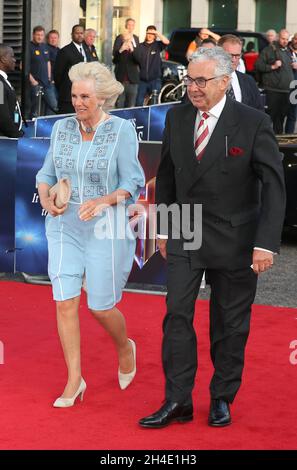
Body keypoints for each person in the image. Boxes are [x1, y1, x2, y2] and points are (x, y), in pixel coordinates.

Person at [139, 47, 286, 428]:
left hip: (236, 238)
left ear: (224, 81)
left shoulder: (253, 122)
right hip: (185, 230)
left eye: (201, 81)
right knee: (176, 315)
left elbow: (273, 186)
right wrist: (164, 228)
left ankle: (222, 396)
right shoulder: (176, 117)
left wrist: (265, 242)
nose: (192, 87)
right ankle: (177, 400)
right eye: (189, 79)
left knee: (229, 323)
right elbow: (167, 176)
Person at [36, 61, 145, 407]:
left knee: (99, 306)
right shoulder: (62, 128)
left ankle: (125, 347)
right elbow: (46, 172)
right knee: (64, 301)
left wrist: (104, 200)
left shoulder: (122, 131)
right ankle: (74, 379)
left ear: (102, 99)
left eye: (85, 96)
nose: (78, 102)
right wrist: (45, 194)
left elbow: (133, 181)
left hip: (104, 224)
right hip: (63, 225)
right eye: (74, 96)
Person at [255, 29, 294, 134]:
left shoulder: (287, 51)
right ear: (278, 37)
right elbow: (258, 65)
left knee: (280, 120)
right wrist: (273, 66)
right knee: (269, 119)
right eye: (282, 38)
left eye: (286, 39)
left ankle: (278, 145)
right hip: (273, 90)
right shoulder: (269, 50)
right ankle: (264, 141)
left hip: (286, 91)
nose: (285, 41)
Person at [218, 35, 264, 111]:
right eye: (229, 55)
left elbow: (259, 111)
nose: (233, 60)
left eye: (237, 55)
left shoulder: (248, 81)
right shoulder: (208, 80)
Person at [54, 24, 93, 114]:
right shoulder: (65, 51)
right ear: (72, 34)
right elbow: (58, 74)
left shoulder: (87, 49)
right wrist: (64, 89)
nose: (79, 35)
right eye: (77, 33)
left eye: (81, 33)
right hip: (68, 96)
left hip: (84, 94)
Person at [134, 25, 169, 107]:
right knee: (139, 102)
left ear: (155, 35)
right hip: (142, 80)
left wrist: (157, 33)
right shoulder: (140, 46)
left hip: (155, 80)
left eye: (152, 33)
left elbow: (167, 42)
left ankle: (152, 119)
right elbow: (136, 59)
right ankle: (140, 118)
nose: (150, 35)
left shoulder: (157, 45)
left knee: (154, 103)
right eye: (148, 33)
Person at [29, 25, 58, 117]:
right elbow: (23, 66)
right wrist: (33, 81)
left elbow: (48, 62)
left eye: (41, 35)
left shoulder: (45, 47)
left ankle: (48, 127)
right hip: (35, 84)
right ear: (33, 35)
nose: (39, 37)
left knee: (53, 105)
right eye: (37, 35)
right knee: (35, 110)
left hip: (47, 83)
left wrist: (49, 77)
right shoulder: (28, 47)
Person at [113, 18, 140, 108]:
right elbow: (115, 58)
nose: (130, 27)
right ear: (126, 26)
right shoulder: (120, 38)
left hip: (133, 79)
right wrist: (121, 49)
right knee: (119, 105)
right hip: (121, 78)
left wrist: (133, 50)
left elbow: (139, 59)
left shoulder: (136, 39)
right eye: (129, 25)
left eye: (132, 25)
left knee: (131, 105)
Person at [0, 44, 23, 137]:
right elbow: (2, 116)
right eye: (12, 56)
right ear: (3, 59)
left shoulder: (3, 80)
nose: (14, 60)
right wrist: (17, 135)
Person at [285, 32, 297, 133]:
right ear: (292, 39)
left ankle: (289, 135)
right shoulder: (286, 50)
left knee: (293, 114)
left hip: (295, 87)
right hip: (285, 85)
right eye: (296, 39)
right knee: (283, 112)